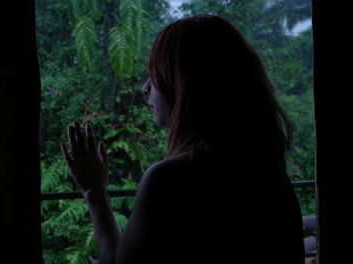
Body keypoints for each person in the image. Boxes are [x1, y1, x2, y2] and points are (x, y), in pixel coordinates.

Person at [60, 14, 305, 264]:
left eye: (156, 75)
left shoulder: (168, 180)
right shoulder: (268, 174)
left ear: (185, 83)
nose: (145, 87)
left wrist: (94, 191)